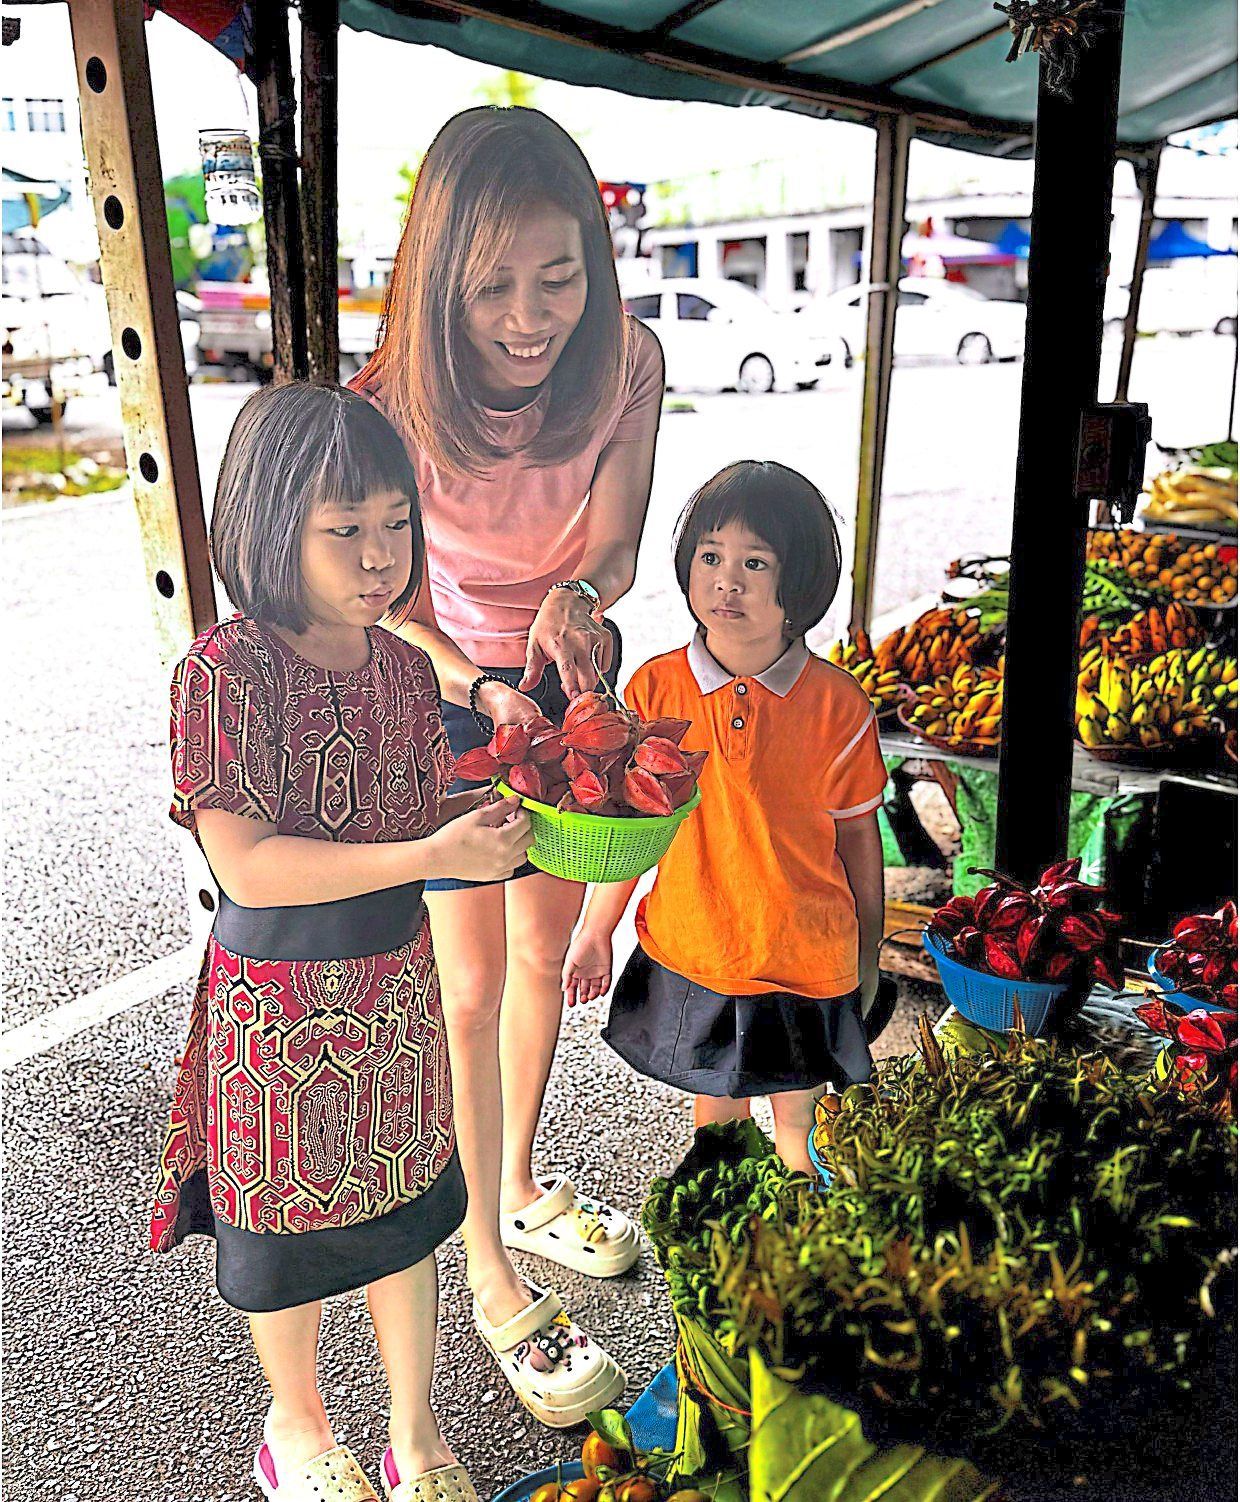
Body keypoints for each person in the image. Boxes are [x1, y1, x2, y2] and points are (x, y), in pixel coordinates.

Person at [148, 384, 534, 1502]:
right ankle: (298, 1425)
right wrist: (428, 858)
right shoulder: (223, 671)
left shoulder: (407, 668)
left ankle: (415, 1433)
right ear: (272, 527)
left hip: (392, 988)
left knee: (403, 1212)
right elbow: (250, 864)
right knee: (287, 1239)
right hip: (273, 999)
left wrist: (497, 833)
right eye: (345, 530)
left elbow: (425, 826)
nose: (379, 557)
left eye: (395, 525)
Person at [351, 105, 663, 1421]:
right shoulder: (385, 406)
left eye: (560, 276)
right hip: (438, 690)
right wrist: (481, 682)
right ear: (439, 279)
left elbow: (625, 538)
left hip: (564, 672)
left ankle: (517, 1186)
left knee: (545, 956)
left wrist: (579, 600)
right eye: (493, 287)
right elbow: (378, 603)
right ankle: (485, 1269)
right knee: (468, 988)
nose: (531, 317)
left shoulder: (628, 362)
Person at [562, 461, 896, 1176]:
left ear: (799, 583)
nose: (727, 581)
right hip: (698, 942)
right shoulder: (656, 686)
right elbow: (631, 828)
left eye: (755, 563)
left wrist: (869, 947)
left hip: (804, 952)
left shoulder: (839, 705)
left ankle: (800, 1220)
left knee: (799, 1126)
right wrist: (595, 930)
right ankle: (721, 1225)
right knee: (715, 1123)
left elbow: (859, 842)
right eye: (710, 557)